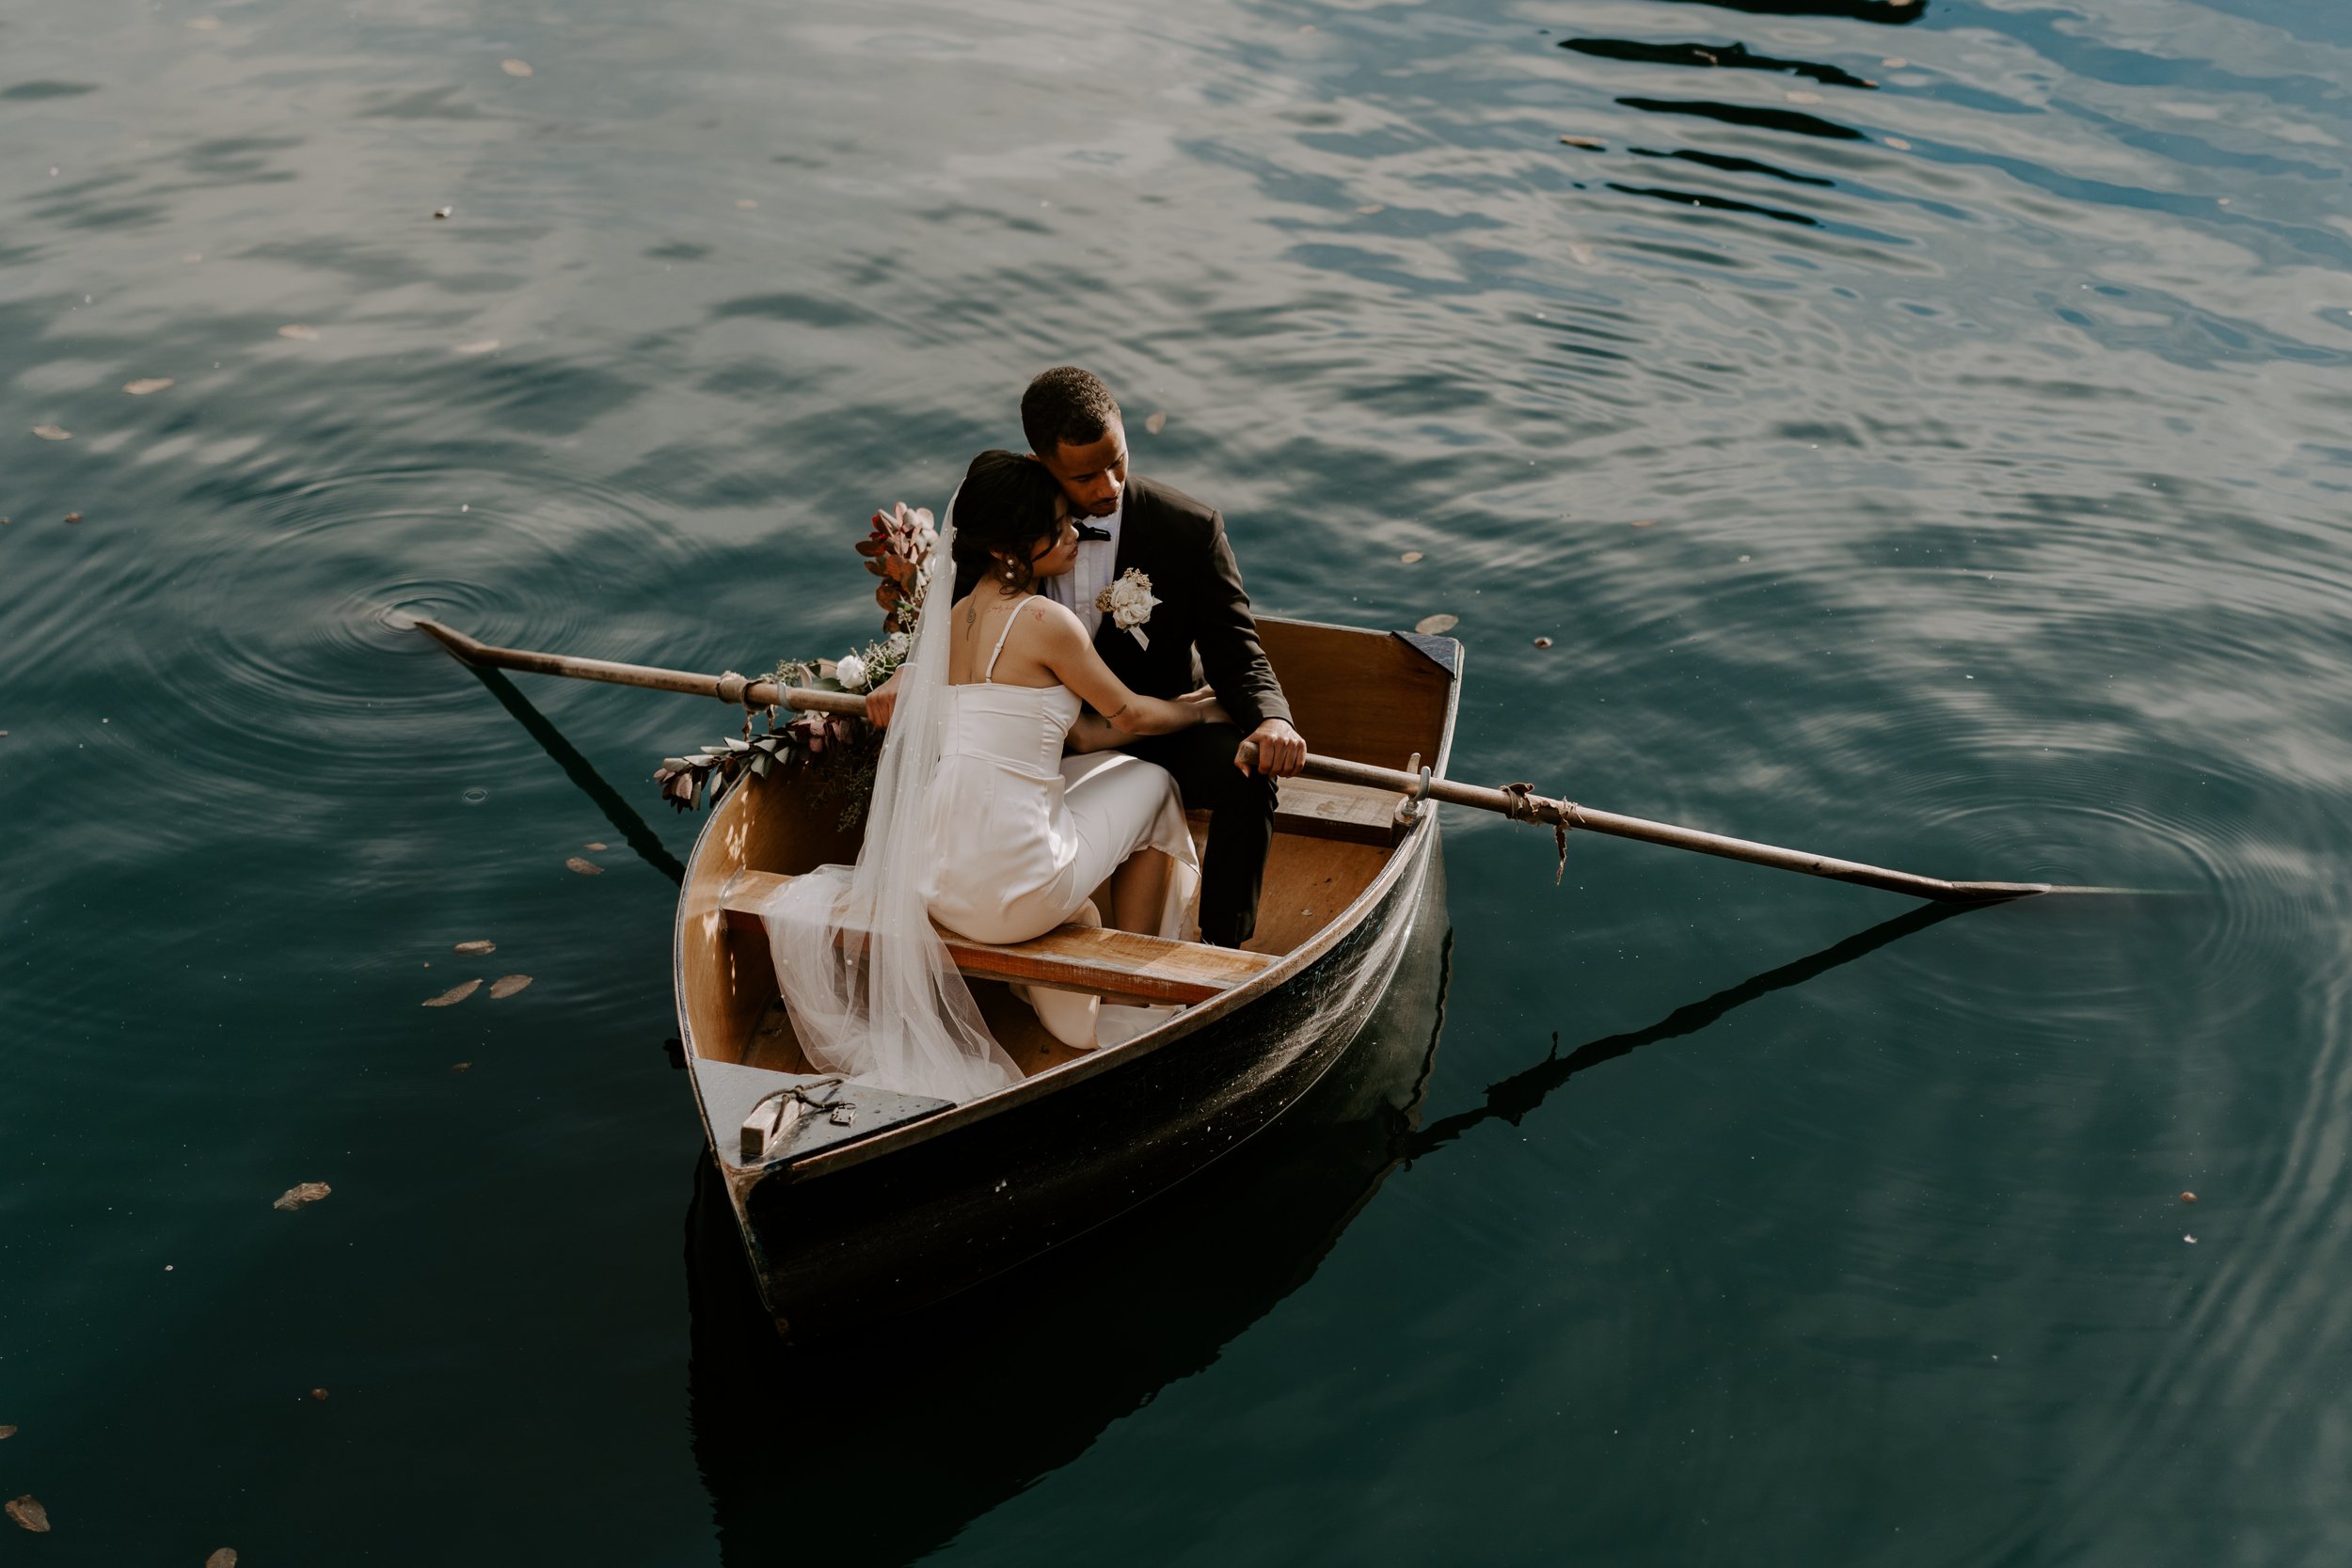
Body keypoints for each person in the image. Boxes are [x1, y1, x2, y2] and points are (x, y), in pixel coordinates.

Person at [759, 451, 1229, 1099]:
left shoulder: (951, 623)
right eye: (1060, 526)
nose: (1074, 534)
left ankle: (1089, 950)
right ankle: (1127, 979)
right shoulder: (1046, 622)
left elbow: (1088, 737)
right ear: (1013, 546)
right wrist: (1205, 707)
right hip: (1015, 889)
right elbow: (1129, 716)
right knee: (1154, 785)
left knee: (1103, 769)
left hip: (940, 880)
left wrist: (1175, 714)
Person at [868, 365, 1308, 949]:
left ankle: (1222, 949)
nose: (1109, 486)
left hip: (1164, 721)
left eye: (1118, 461)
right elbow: (959, 624)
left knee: (1246, 770)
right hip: (1056, 740)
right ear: (1040, 463)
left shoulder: (1189, 529)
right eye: (1085, 475)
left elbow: (1238, 650)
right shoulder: (1008, 527)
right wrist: (913, 670)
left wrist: (1273, 720)